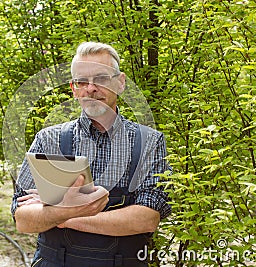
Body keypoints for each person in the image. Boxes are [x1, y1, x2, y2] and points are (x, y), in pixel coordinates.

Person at [11, 41, 172, 267]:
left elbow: (146, 219)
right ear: (74, 89)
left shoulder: (149, 142)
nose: (91, 88)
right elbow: (23, 219)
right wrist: (77, 214)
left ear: (121, 82)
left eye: (102, 78)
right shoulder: (48, 140)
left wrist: (61, 215)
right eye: (82, 81)